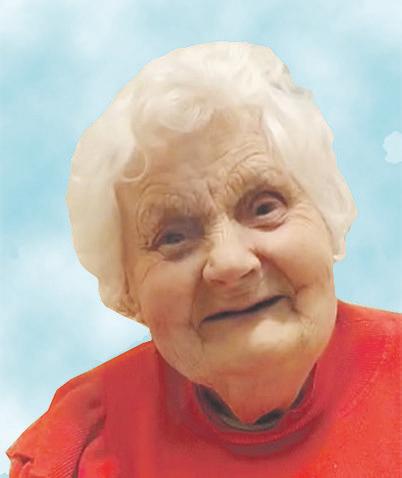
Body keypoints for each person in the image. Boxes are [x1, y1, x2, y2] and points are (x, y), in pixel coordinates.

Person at [7, 42, 401, 477]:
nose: (230, 263)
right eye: (173, 237)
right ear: (127, 291)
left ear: (327, 219)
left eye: (264, 207)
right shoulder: (80, 445)